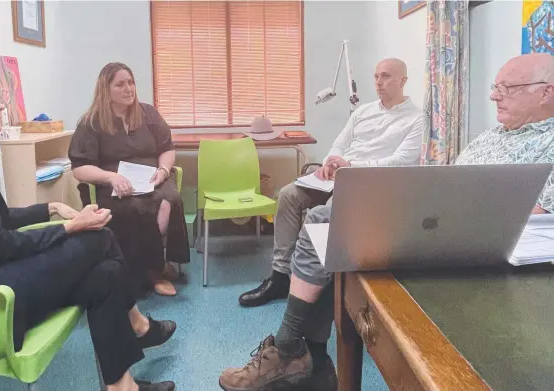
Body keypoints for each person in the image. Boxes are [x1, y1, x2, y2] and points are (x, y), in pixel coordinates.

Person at [218, 53, 554, 391]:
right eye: (496, 87)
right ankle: (303, 341)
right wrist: (334, 160)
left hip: (463, 231)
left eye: (507, 88)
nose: (494, 95)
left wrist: (358, 169)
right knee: (309, 210)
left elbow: (531, 213)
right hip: (428, 208)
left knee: (332, 224)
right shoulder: (490, 136)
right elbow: (452, 178)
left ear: (545, 92)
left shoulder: (545, 141)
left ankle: (295, 350)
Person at [0, 73, 177, 391]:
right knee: (100, 237)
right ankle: (138, 325)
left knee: (106, 274)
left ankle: (123, 386)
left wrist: (51, 208)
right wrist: (71, 227)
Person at [238, 58, 426, 308]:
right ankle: (281, 276)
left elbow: (402, 161)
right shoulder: (363, 112)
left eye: (387, 76)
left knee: (322, 211)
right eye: (376, 76)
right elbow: (339, 143)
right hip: (339, 175)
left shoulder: (416, 118)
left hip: (370, 184)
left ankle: (315, 286)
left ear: (403, 80)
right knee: (287, 194)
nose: (379, 82)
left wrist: (351, 168)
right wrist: (329, 162)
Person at [69, 62, 190, 297]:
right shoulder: (91, 123)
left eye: (131, 82)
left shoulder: (148, 114)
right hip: (114, 185)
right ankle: (153, 270)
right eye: (121, 84)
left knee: (170, 198)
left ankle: (153, 264)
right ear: (106, 90)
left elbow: (167, 148)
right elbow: (80, 168)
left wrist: (164, 170)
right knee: (135, 208)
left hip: (153, 178)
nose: (129, 89)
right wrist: (111, 177)